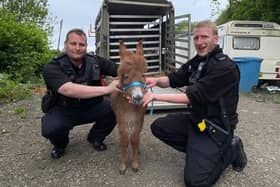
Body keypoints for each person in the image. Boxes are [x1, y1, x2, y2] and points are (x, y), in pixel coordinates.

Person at [142, 20, 247, 187]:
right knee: (159, 127)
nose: (199, 42)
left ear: (215, 39)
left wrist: (155, 97)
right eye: (196, 38)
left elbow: (193, 97)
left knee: (195, 182)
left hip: (215, 127)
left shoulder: (225, 68)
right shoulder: (197, 62)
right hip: (197, 120)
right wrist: (152, 80)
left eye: (204, 37)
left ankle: (230, 149)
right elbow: (172, 79)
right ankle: (199, 151)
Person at [41, 28, 119, 159]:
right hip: (64, 110)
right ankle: (60, 145)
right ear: (65, 45)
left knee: (116, 108)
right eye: (73, 44)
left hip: (92, 106)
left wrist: (138, 74)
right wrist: (106, 90)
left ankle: (95, 137)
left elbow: (120, 70)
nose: (77, 48)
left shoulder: (96, 62)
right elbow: (68, 89)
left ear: (86, 46)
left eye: (82, 44)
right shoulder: (52, 67)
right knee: (51, 128)